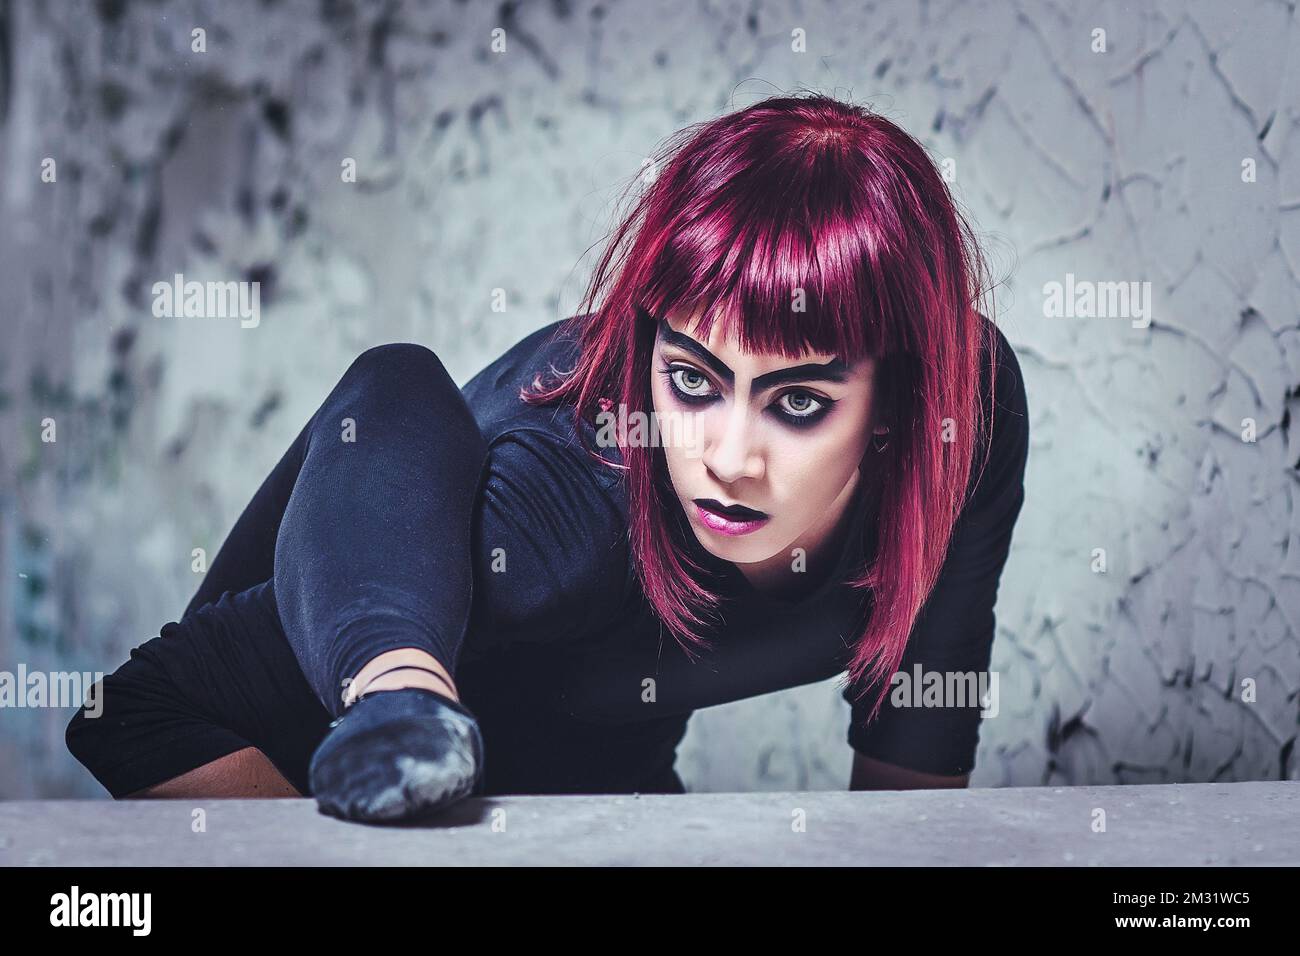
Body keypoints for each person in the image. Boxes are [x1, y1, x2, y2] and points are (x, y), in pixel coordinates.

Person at [66, 93, 1029, 822]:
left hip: (596, 797)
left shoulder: (965, 424)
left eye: (801, 402)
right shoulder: (556, 522)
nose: (729, 459)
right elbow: (133, 710)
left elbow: (914, 774)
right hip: (323, 790)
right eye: (692, 381)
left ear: (906, 401)